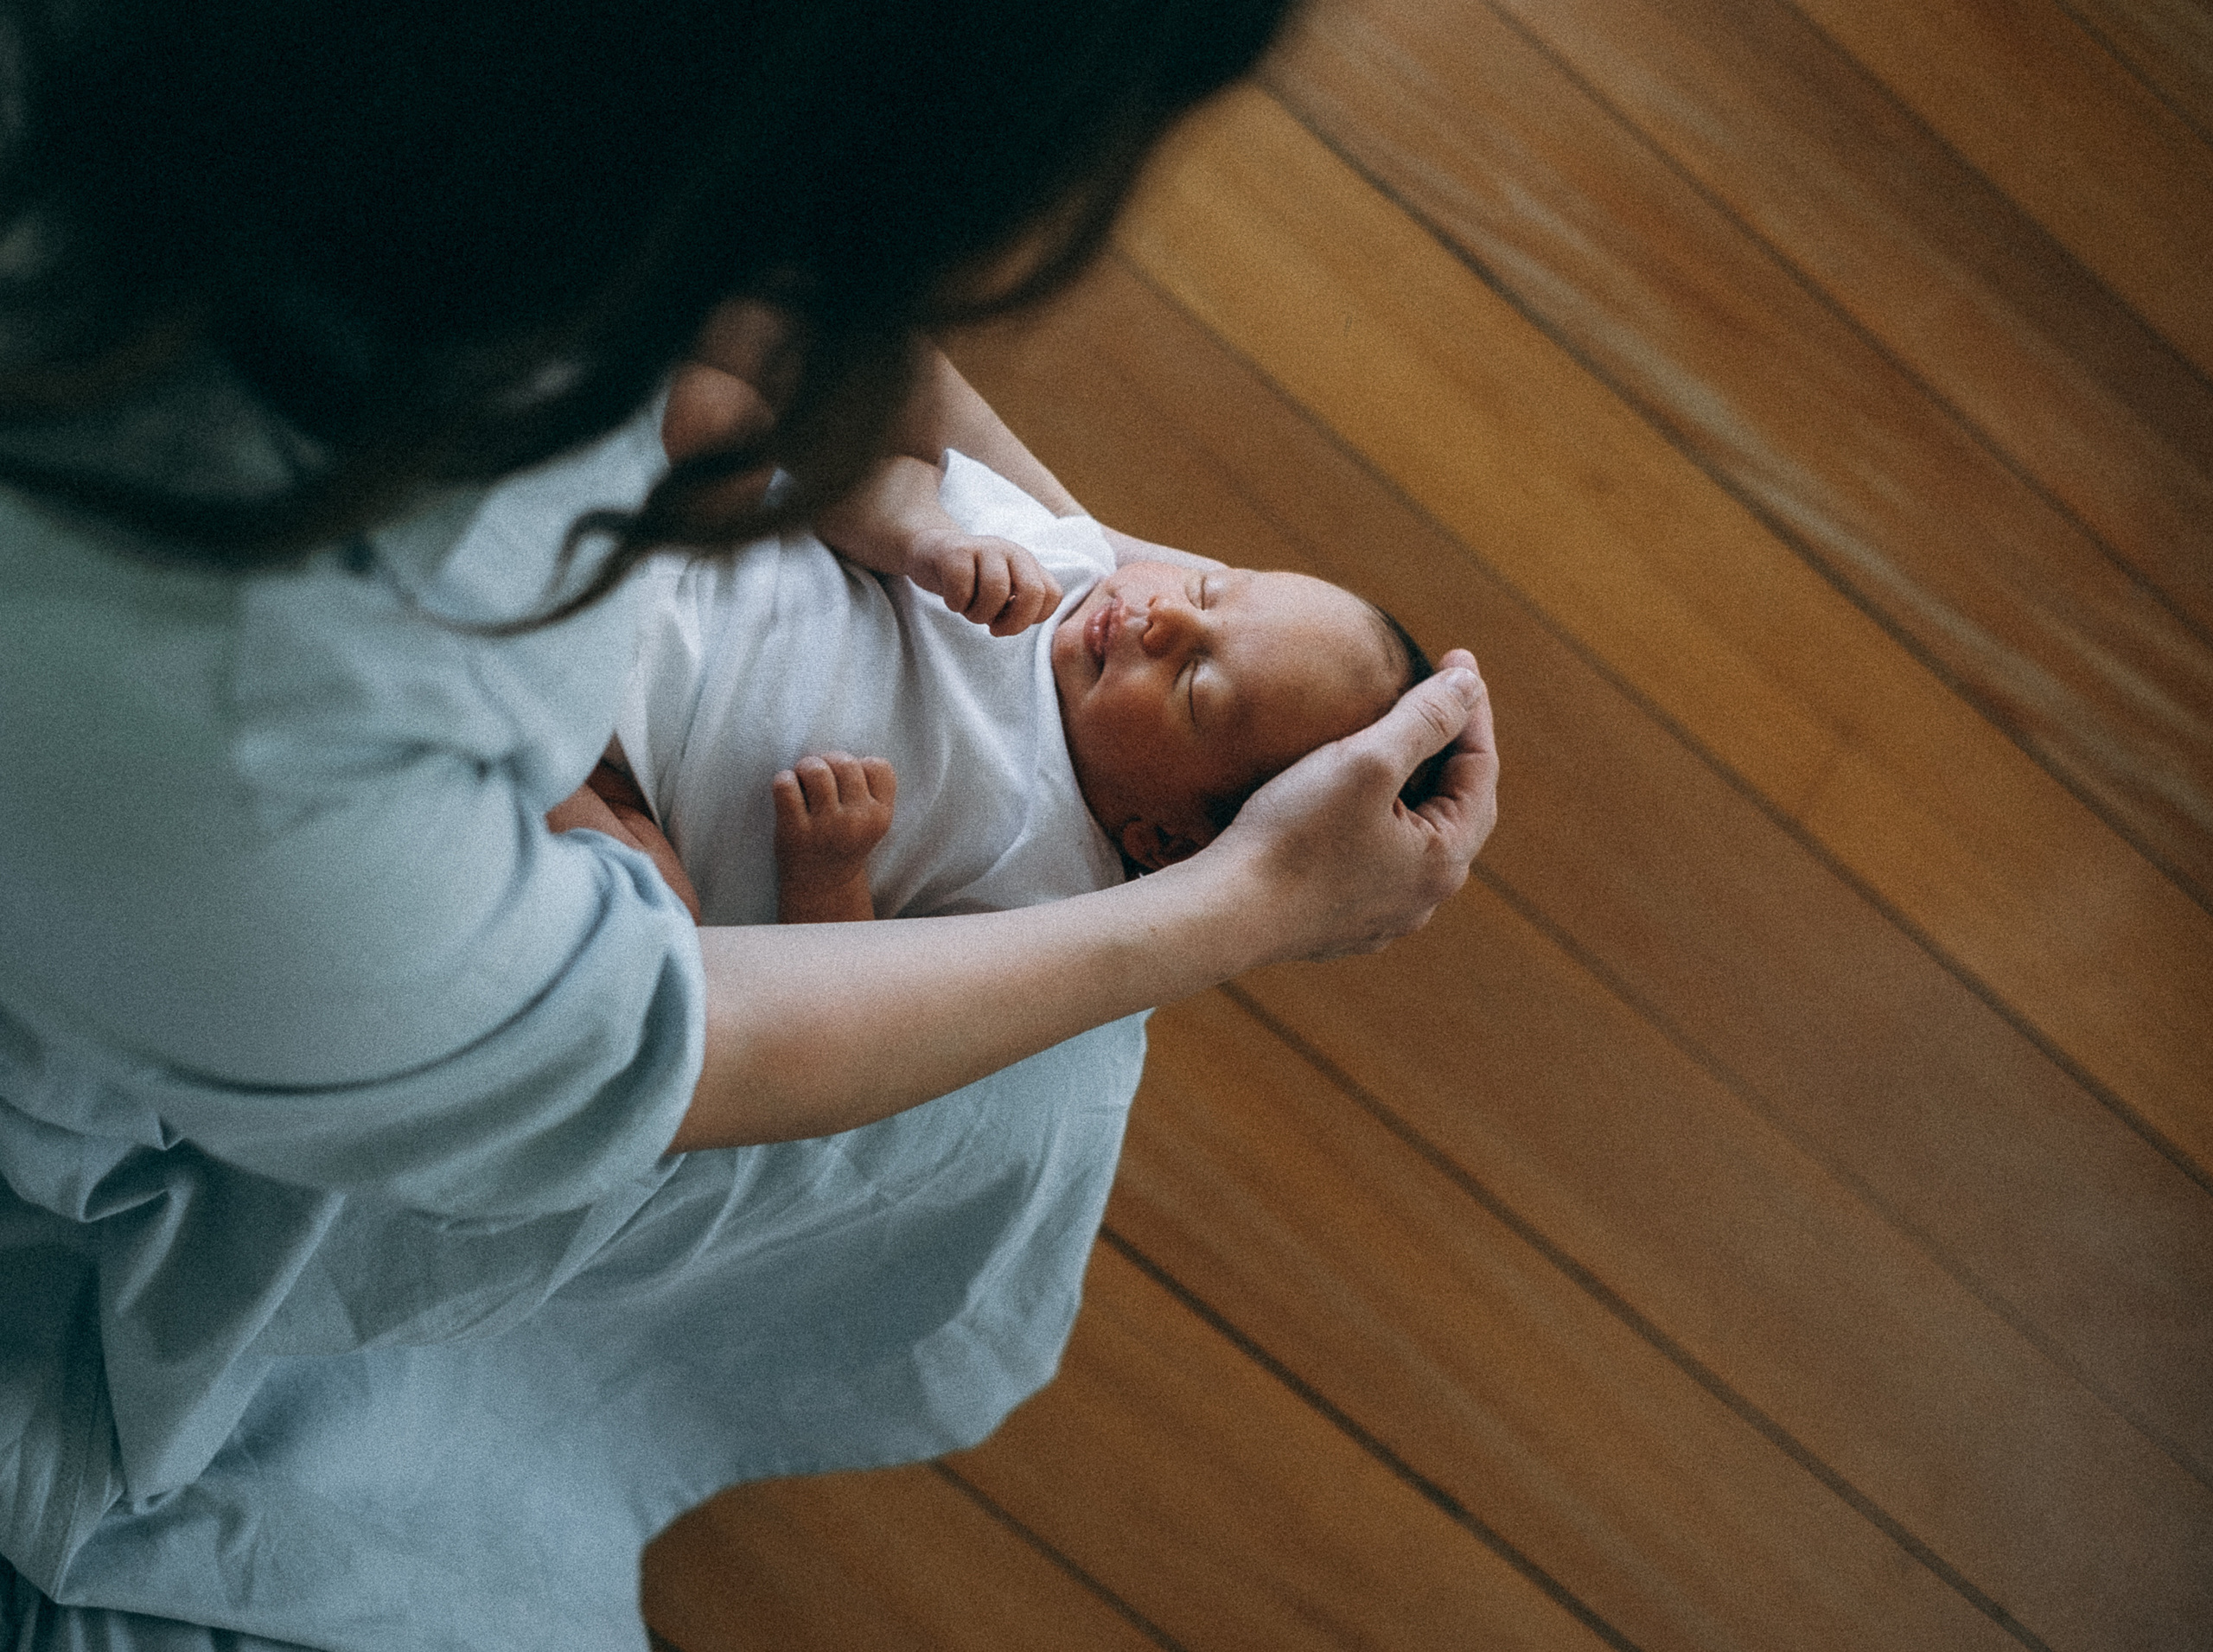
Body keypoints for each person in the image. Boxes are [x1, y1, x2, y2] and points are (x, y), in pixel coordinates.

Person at [0, 3, 1498, 1647]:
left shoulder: (552, 149)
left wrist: (1150, 623)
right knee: (1011, 1112)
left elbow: (795, 308)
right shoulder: (249, 707)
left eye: (1200, 648)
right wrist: (1247, 903)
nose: (1155, 610)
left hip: (544, 749)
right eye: (1196, 595)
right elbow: (646, 1050)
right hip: (312, 880)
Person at [548, 431, 1438, 934]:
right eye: (1210, 588)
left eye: (1197, 684)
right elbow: (876, 465)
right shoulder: (1059, 562)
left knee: (651, 919)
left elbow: (859, 985)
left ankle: (499, 734)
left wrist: (829, 876)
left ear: (1163, 841)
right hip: (665, 545)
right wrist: (923, 539)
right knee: (733, 420)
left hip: (618, 757)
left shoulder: (1045, 888)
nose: (1165, 618)